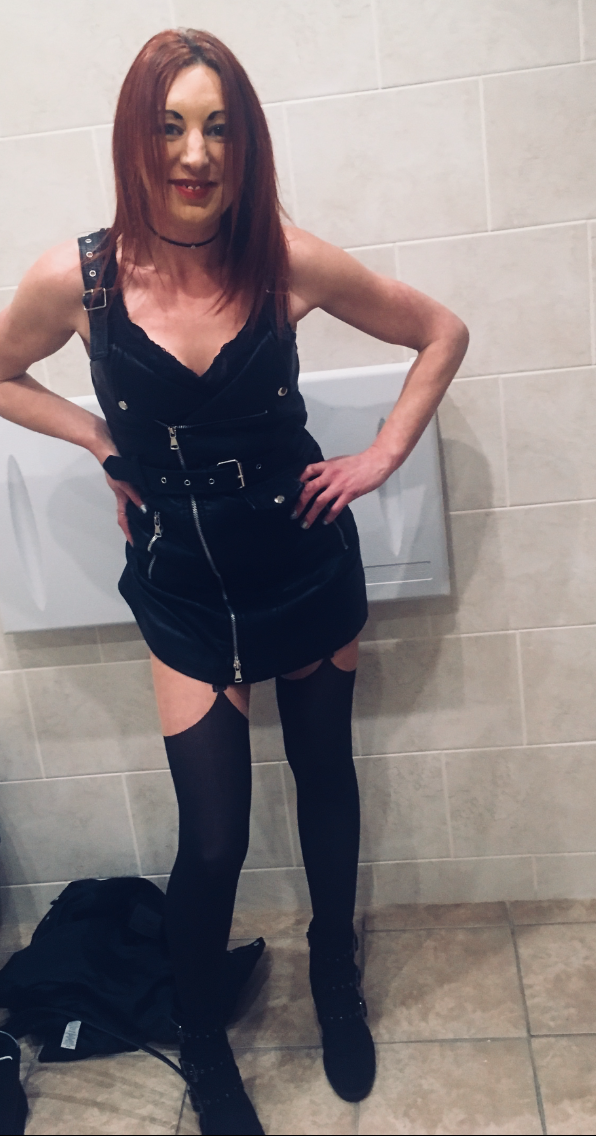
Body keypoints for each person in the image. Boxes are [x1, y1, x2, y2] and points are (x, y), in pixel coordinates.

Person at [0, 28, 468, 1136]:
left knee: (325, 776)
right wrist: (97, 438)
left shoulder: (283, 259)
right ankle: (204, 1041)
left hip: (301, 558)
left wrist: (382, 456)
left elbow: (440, 332)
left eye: (218, 127)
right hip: (182, 586)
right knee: (212, 839)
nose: (195, 153)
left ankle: (335, 974)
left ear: (244, 143)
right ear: (135, 138)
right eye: (170, 126)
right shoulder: (79, 279)